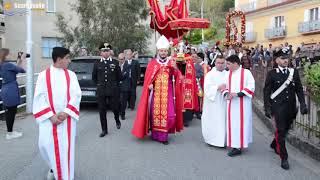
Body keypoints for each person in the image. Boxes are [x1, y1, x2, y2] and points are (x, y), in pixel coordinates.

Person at [33, 47, 82, 180]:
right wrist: (50, 116)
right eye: (67, 58)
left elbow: (76, 95)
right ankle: (54, 167)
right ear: (59, 59)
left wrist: (66, 112)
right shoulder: (44, 75)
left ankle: (66, 176)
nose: (69, 60)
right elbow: (39, 98)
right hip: (49, 120)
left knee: (65, 151)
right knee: (44, 145)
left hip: (67, 121)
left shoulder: (71, 75)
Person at [131, 35, 184, 145]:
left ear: (167, 51)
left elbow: (177, 77)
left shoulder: (171, 62)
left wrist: (175, 68)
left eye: (165, 51)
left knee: (168, 115)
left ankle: (164, 137)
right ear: (158, 51)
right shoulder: (153, 63)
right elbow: (148, 78)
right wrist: (149, 85)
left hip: (168, 92)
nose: (163, 53)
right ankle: (155, 135)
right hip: (155, 92)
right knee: (154, 114)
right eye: (161, 51)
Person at [263, 48, 308, 170]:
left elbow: (299, 89)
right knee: (282, 132)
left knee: (285, 129)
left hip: (291, 107)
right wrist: (267, 107)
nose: (285, 60)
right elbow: (266, 91)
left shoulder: (294, 72)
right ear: (277, 60)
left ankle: (274, 144)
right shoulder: (272, 73)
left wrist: (303, 104)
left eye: (287, 58)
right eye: (282, 58)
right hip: (278, 107)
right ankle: (284, 158)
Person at [222, 55, 255, 157]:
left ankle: (238, 147)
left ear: (235, 63)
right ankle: (235, 145)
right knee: (233, 124)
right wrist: (227, 93)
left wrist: (237, 94)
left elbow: (251, 86)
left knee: (241, 124)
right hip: (231, 104)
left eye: (228, 63)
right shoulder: (228, 74)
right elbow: (224, 86)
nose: (227, 66)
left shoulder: (246, 73)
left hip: (243, 105)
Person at [92, 43, 121, 137]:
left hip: (113, 90)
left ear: (110, 52)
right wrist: (99, 85)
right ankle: (104, 130)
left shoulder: (115, 62)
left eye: (107, 51)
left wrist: (115, 85)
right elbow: (94, 77)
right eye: (103, 51)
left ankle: (117, 119)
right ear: (100, 52)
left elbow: (119, 77)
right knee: (102, 110)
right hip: (101, 91)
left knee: (115, 108)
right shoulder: (97, 63)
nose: (105, 53)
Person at [0, 48, 26, 140]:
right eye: (10, 53)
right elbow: (23, 70)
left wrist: (18, 61)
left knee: (10, 111)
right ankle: (10, 133)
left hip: (6, 89)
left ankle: (10, 131)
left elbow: (16, 69)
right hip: (11, 90)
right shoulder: (8, 65)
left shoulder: (4, 65)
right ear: (6, 55)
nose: (12, 54)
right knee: (11, 112)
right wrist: (23, 59)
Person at [202, 55, 227, 147]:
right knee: (213, 120)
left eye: (222, 63)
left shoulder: (228, 74)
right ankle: (212, 140)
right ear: (215, 63)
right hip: (213, 102)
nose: (220, 65)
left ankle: (223, 140)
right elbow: (207, 88)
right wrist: (217, 87)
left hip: (224, 101)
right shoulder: (210, 75)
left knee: (223, 120)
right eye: (218, 63)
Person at [118, 53, 130, 120]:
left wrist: (119, 77)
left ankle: (123, 114)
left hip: (125, 86)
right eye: (119, 59)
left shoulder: (127, 65)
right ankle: (119, 111)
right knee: (118, 100)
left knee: (124, 101)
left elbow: (125, 75)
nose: (120, 60)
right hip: (117, 86)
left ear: (124, 59)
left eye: (122, 59)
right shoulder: (116, 65)